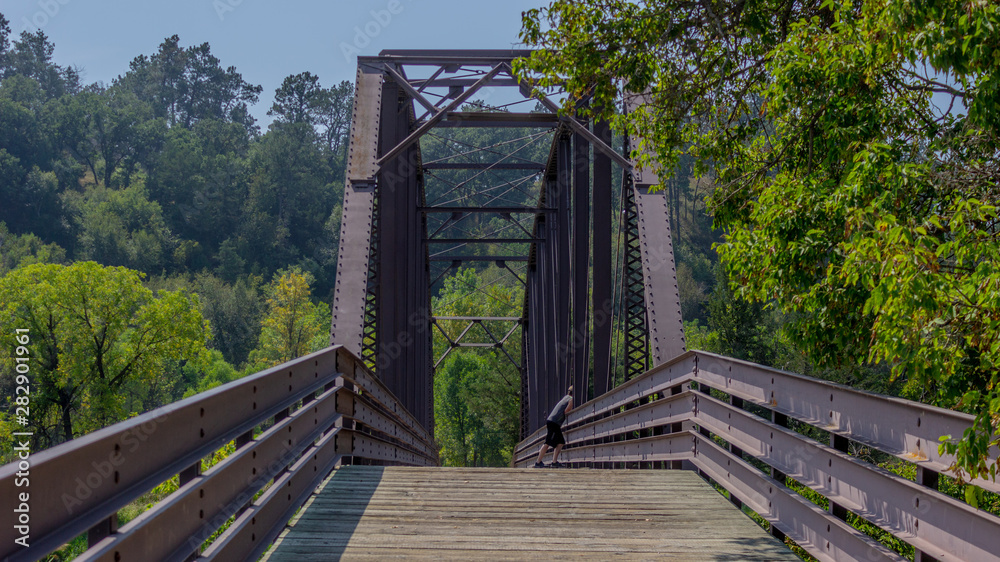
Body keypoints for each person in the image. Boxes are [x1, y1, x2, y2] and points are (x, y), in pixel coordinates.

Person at [534, 386, 573, 468]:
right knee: (547, 442)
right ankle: (538, 462)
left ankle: (554, 462)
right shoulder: (570, 399)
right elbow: (566, 410)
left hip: (552, 421)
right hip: (554, 422)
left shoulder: (565, 397)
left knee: (561, 442)